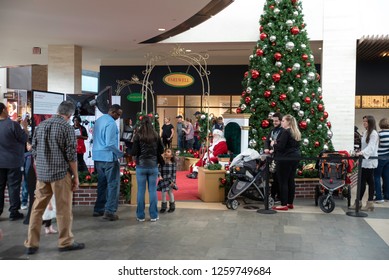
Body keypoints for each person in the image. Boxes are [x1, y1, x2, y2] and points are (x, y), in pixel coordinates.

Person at [24, 101, 84, 255]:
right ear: (69, 115)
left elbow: (34, 151)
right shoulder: (67, 128)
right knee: (63, 209)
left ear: (58, 111)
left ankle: (31, 243)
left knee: (37, 209)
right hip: (60, 175)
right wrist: (76, 177)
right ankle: (65, 242)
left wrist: (40, 168)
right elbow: (71, 156)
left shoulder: (41, 125)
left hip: (43, 175)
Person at [92, 104, 124, 221]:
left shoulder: (99, 120)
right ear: (113, 112)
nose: (118, 117)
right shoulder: (111, 123)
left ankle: (99, 209)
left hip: (97, 157)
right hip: (108, 158)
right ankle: (110, 211)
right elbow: (110, 144)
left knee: (102, 184)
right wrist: (121, 154)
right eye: (118, 114)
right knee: (113, 184)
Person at [131, 116, 164, 222]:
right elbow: (162, 150)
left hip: (141, 166)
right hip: (153, 165)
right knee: (152, 191)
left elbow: (134, 152)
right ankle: (154, 215)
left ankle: (140, 216)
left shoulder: (138, 135)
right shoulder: (156, 135)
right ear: (151, 123)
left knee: (140, 191)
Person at [0, 102, 28, 221]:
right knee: (14, 187)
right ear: (3, 110)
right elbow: (24, 139)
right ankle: (14, 212)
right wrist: (25, 127)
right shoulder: (13, 125)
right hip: (13, 161)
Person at [272, 114, 301, 211]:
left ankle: (283, 204)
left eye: (283, 120)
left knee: (283, 181)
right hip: (295, 158)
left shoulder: (286, 132)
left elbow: (281, 147)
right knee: (290, 180)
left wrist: (273, 144)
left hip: (285, 159)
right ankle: (290, 203)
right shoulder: (295, 132)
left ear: (288, 122)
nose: (282, 122)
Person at [351, 115, 379, 211]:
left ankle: (363, 202)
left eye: (366, 122)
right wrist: (359, 151)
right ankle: (361, 202)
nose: (364, 123)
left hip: (369, 160)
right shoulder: (366, 132)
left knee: (365, 181)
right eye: (363, 121)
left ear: (370, 122)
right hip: (364, 160)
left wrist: (362, 153)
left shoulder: (374, 134)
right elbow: (364, 146)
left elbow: (371, 147)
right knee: (367, 181)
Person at [264, 112, 284, 203]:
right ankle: (273, 195)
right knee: (273, 177)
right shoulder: (272, 130)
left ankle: (277, 196)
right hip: (271, 156)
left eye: (276, 121)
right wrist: (266, 148)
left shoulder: (283, 131)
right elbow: (267, 141)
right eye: (273, 121)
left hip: (279, 156)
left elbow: (281, 144)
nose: (275, 123)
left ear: (280, 121)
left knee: (278, 177)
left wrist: (274, 150)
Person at [157, 148, 178, 213]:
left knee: (170, 193)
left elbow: (174, 174)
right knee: (163, 193)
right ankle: (163, 207)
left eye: (168, 152)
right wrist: (159, 176)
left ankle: (172, 206)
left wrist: (173, 182)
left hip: (169, 181)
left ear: (171, 155)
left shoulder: (173, 164)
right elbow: (159, 170)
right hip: (163, 180)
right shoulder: (162, 163)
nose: (166, 152)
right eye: (165, 151)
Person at [374, 118, 389, 203]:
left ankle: (379, 197)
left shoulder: (379, 134)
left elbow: (376, 146)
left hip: (379, 157)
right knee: (386, 177)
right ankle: (387, 196)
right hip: (388, 157)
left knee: (376, 176)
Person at [21, 141, 33, 210]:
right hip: (26, 175)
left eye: (29, 145)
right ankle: (24, 203)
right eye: (27, 145)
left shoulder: (35, 154)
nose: (27, 146)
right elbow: (22, 165)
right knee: (25, 189)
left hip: (34, 176)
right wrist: (22, 173)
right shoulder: (25, 155)